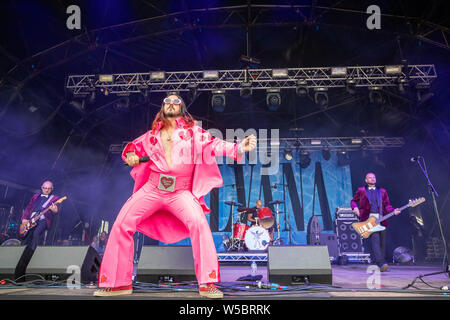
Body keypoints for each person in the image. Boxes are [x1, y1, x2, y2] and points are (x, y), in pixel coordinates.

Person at [94, 94, 256, 298]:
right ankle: (118, 283)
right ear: (162, 107)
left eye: (175, 102)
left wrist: (239, 147)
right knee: (121, 224)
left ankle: (208, 283)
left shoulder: (194, 133)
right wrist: (131, 156)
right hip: (152, 189)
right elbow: (130, 150)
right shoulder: (150, 135)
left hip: (180, 192)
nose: (171, 104)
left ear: (182, 108)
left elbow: (214, 145)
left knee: (199, 225)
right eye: (167, 102)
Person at [350, 173, 400, 272]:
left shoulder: (382, 191)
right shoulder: (361, 190)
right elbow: (353, 201)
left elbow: (387, 205)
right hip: (369, 220)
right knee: (375, 240)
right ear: (365, 180)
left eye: (374, 177)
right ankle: (381, 263)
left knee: (382, 243)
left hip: (381, 219)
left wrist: (393, 211)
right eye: (370, 177)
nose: (372, 179)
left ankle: (380, 264)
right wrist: (355, 208)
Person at [14, 181, 59, 282]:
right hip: (31, 220)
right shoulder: (35, 196)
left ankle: (34, 255)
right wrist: (24, 219)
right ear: (41, 187)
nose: (46, 190)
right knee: (25, 238)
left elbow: (56, 211)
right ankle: (21, 259)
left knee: (36, 234)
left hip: (43, 219)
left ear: (52, 189)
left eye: (48, 188)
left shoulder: (55, 198)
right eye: (44, 188)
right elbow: (28, 207)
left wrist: (55, 210)